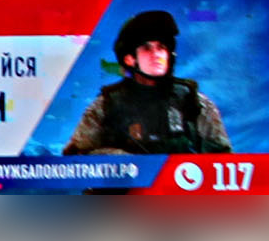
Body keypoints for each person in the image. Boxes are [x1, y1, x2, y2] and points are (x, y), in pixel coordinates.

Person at [64, 8, 230, 157]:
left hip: (183, 188)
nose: (156, 54)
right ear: (129, 59)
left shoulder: (194, 102)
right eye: (147, 48)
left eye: (161, 48)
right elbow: (76, 158)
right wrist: (118, 162)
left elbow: (223, 161)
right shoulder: (106, 106)